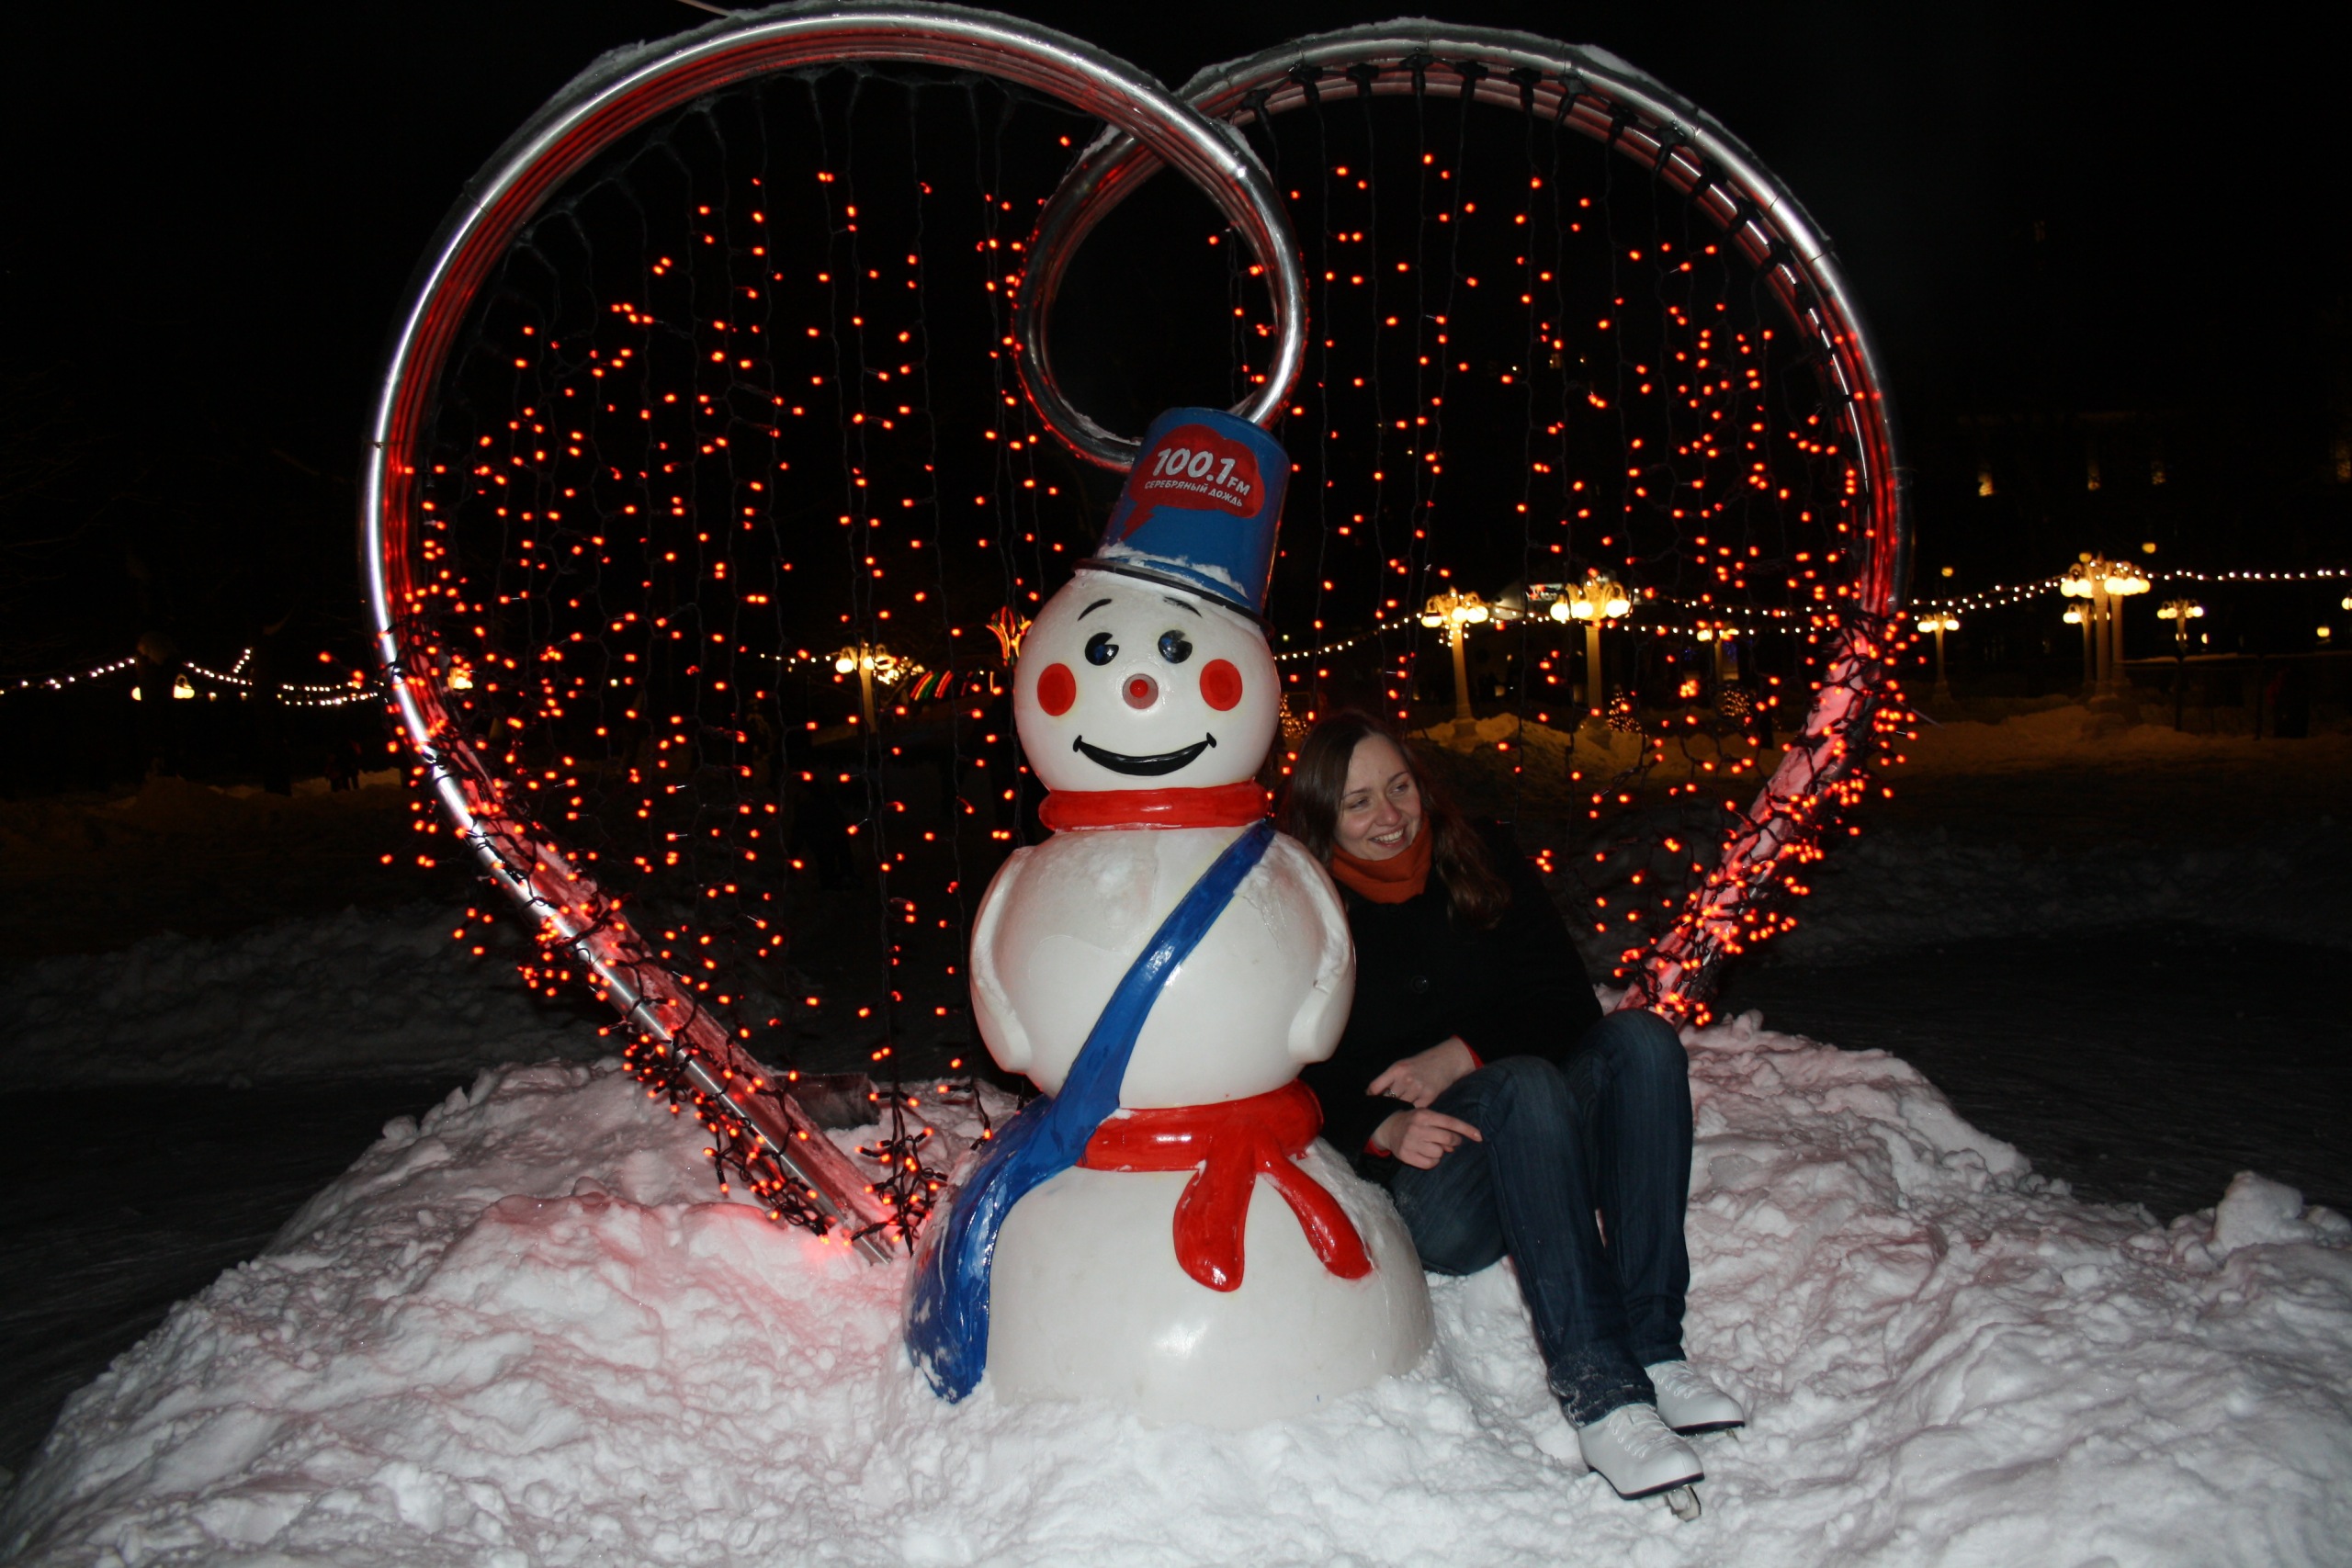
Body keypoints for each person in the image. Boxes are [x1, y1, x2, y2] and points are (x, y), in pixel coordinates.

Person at [1281, 709, 1744, 1501]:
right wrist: (1379, 1125)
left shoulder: (1479, 855)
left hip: (1540, 1135)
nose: (1390, 815)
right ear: (1323, 815)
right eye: (1358, 802)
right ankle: (1602, 1395)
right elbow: (1279, 1064)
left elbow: (1566, 1003)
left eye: (1399, 787)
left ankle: (1655, 1349)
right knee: (1522, 1081)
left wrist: (1461, 1052)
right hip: (1434, 1187)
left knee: (1641, 1041)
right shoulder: (1299, 909)